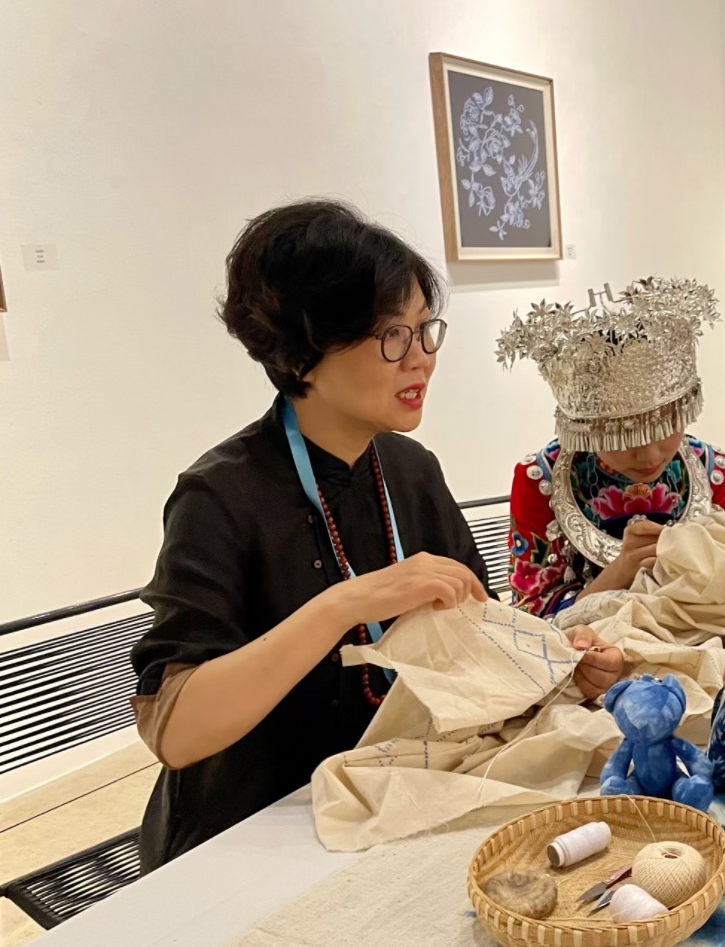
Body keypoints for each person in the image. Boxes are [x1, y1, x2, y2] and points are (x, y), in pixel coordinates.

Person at [131, 201, 621, 870]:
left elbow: (474, 635)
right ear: (304, 348)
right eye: (392, 335)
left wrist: (559, 661)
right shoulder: (220, 496)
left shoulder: (409, 469)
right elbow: (178, 730)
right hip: (247, 837)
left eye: (426, 331)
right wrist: (346, 603)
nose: (420, 360)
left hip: (391, 806)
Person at [499, 278, 725, 617]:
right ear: (588, 427)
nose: (650, 456)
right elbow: (530, 618)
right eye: (625, 436)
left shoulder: (709, 468)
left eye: (666, 427)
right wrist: (621, 570)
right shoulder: (540, 480)